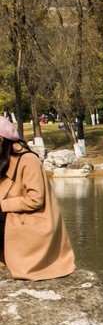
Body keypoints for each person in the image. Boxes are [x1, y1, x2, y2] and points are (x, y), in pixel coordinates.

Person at [0, 116, 76, 281]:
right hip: (15, 217)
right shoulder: (5, 160)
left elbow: (35, 199)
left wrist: (1, 204)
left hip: (34, 223)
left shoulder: (28, 160)